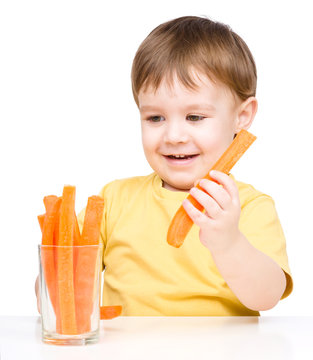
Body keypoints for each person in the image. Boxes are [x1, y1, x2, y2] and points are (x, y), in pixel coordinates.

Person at [36, 15, 293, 316]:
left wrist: (229, 242)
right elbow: (51, 297)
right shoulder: (113, 201)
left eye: (195, 117)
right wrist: (55, 273)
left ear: (242, 116)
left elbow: (266, 297)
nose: (173, 136)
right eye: (155, 118)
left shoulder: (250, 206)